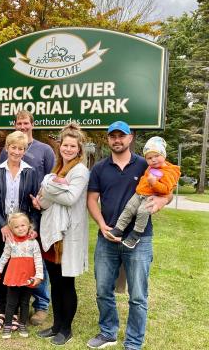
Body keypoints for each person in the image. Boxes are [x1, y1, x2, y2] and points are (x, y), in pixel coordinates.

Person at [86, 121, 171, 350]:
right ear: (108, 139)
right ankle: (108, 332)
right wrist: (102, 225)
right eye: (112, 136)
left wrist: (163, 200)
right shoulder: (100, 168)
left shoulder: (146, 163)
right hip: (108, 237)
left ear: (131, 137)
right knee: (103, 290)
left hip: (140, 240)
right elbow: (92, 199)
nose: (117, 140)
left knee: (138, 295)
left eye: (121, 136)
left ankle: (133, 342)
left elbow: (168, 189)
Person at [33, 123, 90, 345]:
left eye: (72, 146)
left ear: (79, 149)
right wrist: (53, 184)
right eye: (65, 145)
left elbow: (70, 198)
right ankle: (56, 325)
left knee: (66, 284)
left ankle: (66, 329)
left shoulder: (80, 171)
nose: (67, 149)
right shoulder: (56, 170)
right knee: (55, 283)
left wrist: (47, 185)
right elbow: (43, 201)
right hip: (51, 235)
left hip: (67, 236)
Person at [0, 109, 55, 325]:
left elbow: (51, 179)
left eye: (26, 123)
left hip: (35, 214)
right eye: (19, 123)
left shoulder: (45, 150)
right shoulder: (7, 151)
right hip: (12, 219)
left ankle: (40, 305)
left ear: (32, 124)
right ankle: (15, 301)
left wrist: (36, 221)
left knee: (36, 259)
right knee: (17, 259)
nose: (23, 126)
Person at [0, 130, 39, 331]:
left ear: (25, 150)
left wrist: (32, 227)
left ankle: (17, 311)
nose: (17, 151)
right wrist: (2, 224)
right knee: (2, 265)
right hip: (1, 229)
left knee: (21, 267)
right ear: (6, 148)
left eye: (21, 148)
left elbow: (34, 203)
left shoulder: (30, 172)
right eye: (13, 147)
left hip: (23, 231)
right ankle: (2, 310)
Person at [108, 136, 180, 248]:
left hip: (150, 197)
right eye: (149, 158)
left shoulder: (169, 172)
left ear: (164, 155)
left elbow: (166, 190)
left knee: (142, 212)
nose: (153, 159)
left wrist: (154, 183)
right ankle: (118, 229)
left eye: (157, 156)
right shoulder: (151, 167)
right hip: (139, 194)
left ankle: (135, 235)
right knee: (129, 208)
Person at [0, 213, 43, 339]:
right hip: (14, 276)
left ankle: (22, 323)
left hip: (28, 277)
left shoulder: (33, 242)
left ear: (28, 226)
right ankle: (8, 324)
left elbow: (38, 259)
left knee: (25, 302)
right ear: (11, 229)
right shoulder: (10, 241)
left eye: (23, 225)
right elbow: (5, 256)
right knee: (11, 302)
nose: (20, 228)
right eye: (16, 227)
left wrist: (39, 276)